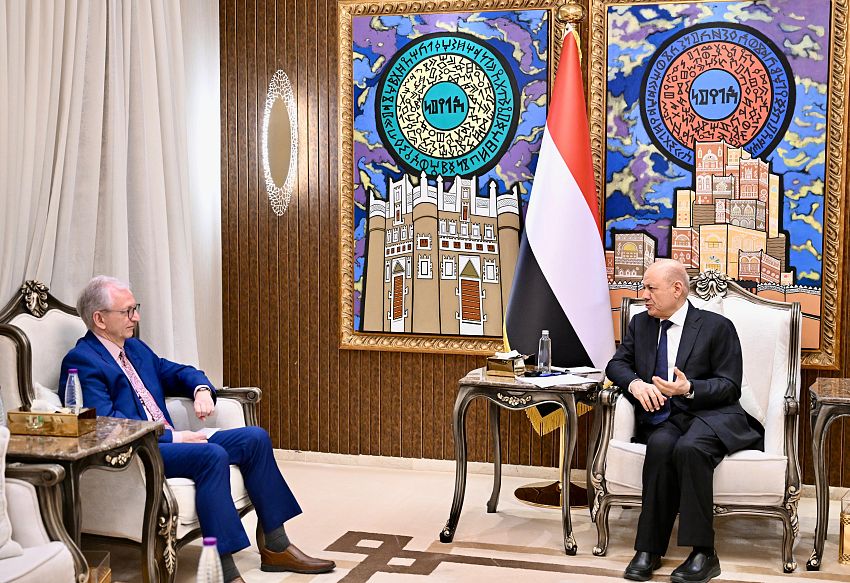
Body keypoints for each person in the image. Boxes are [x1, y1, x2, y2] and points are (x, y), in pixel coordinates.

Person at [59, 276, 335, 583]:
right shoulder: (83, 361)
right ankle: (223, 571)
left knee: (255, 439)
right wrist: (176, 437)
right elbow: (108, 425)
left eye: (135, 308)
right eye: (127, 311)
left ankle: (277, 547)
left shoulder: (134, 349)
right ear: (99, 319)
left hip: (169, 440)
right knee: (211, 455)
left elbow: (177, 372)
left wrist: (201, 389)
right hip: (143, 450)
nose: (135, 317)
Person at [606, 259, 763, 583]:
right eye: (644, 287)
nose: (644, 295)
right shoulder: (641, 324)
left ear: (677, 289)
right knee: (660, 446)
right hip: (667, 419)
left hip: (713, 414)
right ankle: (649, 549)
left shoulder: (716, 327)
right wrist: (636, 384)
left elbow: (730, 386)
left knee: (690, 449)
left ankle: (704, 553)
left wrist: (689, 388)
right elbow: (616, 364)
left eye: (651, 288)